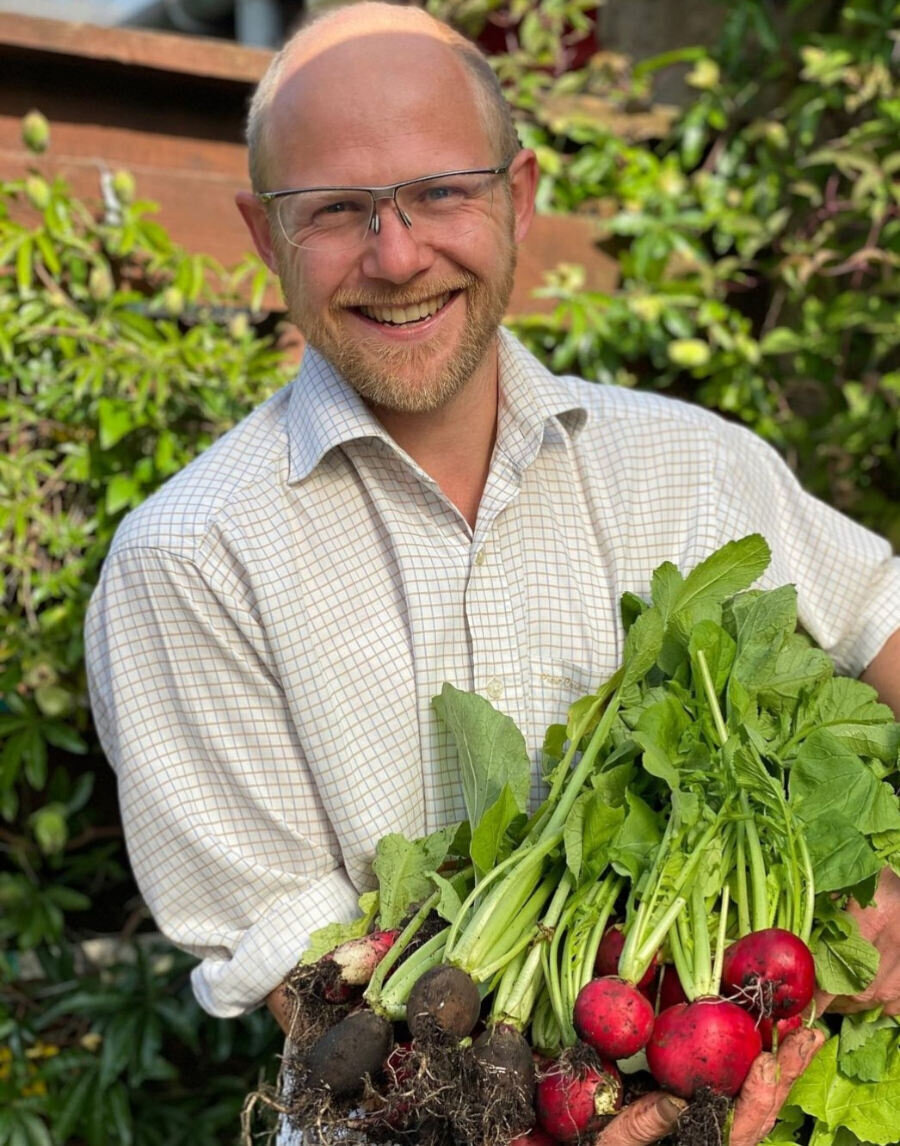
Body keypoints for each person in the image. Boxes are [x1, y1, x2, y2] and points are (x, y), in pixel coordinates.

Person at [84, 4, 900, 1144]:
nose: (400, 254)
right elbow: (295, 955)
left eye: (440, 192)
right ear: (264, 238)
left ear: (518, 199)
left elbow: (879, 618)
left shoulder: (696, 463)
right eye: (334, 211)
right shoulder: (188, 558)